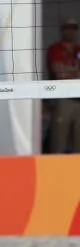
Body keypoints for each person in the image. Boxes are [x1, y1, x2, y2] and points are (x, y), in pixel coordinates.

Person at [46, 17, 80, 153]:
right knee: (59, 142)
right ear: (62, 30)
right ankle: (54, 172)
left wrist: (68, 71)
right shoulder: (55, 49)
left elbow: (64, 72)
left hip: (78, 99)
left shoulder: (78, 49)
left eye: (73, 28)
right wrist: (75, 72)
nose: (70, 31)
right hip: (62, 99)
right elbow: (59, 73)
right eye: (67, 28)